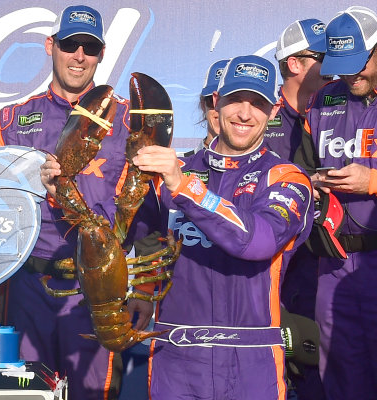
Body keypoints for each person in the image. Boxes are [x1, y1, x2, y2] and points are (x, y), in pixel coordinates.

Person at [128, 55, 313, 399]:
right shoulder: (174, 170)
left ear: (273, 111)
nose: (245, 113)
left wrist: (185, 187)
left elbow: (257, 242)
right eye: (235, 100)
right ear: (216, 102)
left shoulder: (286, 177)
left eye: (258, 104)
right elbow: (142, 236)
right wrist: (142, 290)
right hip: (175, 356)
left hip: (251, 360)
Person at [0, 5, 135, 399]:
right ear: (50, 46)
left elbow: (141, 211)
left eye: (88, 48)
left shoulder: (127, 118)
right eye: (70, 44)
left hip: (96, 291)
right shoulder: (12, 118)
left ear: (102, 54)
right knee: (25, 393)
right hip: (29, 286)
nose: (79, 56)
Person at [294, 6, 377, 399]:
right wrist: (310, 183)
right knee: (340, 377)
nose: (351, 75)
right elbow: (303, 168)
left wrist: (372, 181)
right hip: (333, 263)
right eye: (342, 66)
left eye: (359, 64)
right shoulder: (323, 100)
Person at [270, 18, 329, 400]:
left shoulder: (342, 116)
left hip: (336, 274)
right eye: (323, 57)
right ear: (295, 63)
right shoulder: (261, 122)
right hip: (282, 282)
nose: (338, 66)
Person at [267, 18, 330, 161]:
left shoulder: (346, 106)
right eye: (323, 57)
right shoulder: (261, 113)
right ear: (294, 64)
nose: (332, 65)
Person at [185, 59, 229, 155]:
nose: (221, 110)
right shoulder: (178, 165)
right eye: (212, 102)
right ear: (203, 105)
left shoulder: (268, 167)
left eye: (230, 103)